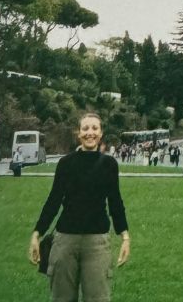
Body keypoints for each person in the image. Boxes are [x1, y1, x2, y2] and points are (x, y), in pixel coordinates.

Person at [28, 112, 130, 302]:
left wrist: (125, 236)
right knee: (62, 298)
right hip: (65, 240)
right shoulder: (66, 163)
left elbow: (115, 201)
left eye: (94, 128)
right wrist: (37, 233)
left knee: (98, 298)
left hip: (97, 242)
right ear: (78, 133)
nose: (89, 133)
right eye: (85, 128)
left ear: (101, 134)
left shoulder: (109, 164)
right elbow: (54, 200)